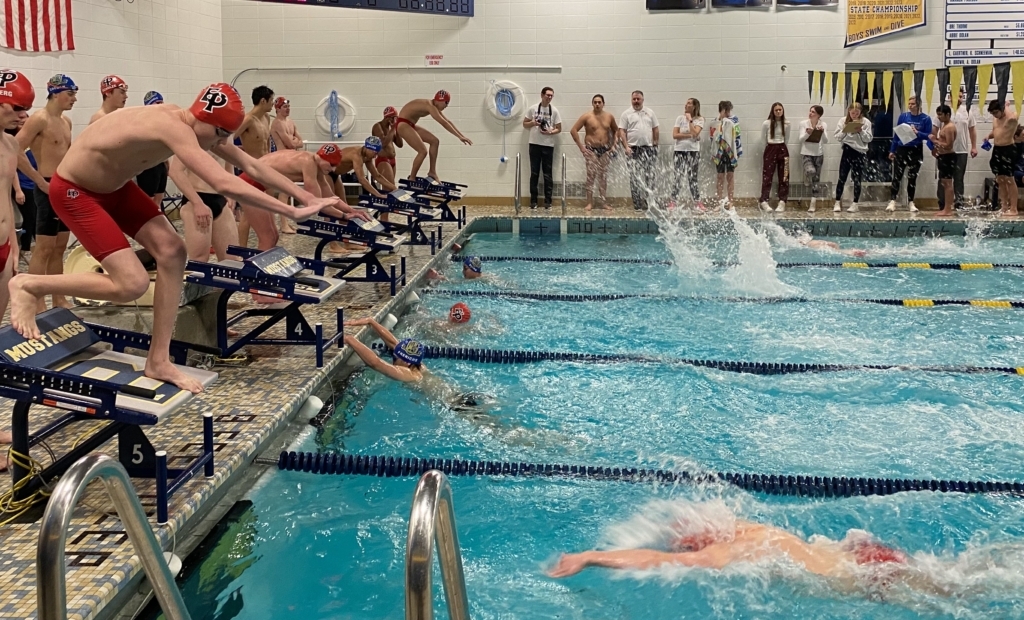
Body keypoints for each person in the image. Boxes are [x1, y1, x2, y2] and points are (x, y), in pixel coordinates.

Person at [8, 83, 339, 393]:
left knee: (173, 251)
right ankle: (31, 284)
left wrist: (307, 199)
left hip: (117, 188)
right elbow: (223, 182)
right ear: (204, 119)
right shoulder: (173, 126)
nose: (220, 142)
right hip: (75, 191)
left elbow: (250, 165)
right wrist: (292, 212)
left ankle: (158, 360)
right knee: (131, 284)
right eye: (219, 134)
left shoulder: (200, 123)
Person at [547, 504, 962, 602]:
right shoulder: (749, 528)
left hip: (863, 580)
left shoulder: (732, 550)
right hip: (862, 556)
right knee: (958, 575)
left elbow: (660, 561)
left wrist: (590, 557)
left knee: (959, 593)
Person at [16, 74, 77, 312]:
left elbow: (69, 155)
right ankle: (36, 300)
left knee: (60, 246)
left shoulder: (67, 122)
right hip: (47, 187)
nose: (74, 99)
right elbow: (16, 149)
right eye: (70, 94)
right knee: (43, 247)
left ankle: (58, 297)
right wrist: (40, 182)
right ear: (55, 93)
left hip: (65, 186)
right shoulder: (39, 119)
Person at [0, 71, 33, 471]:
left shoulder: (10, 145)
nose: (24, 115)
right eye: (17, 107)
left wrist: (15, 249)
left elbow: (7, 200)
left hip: (5, 246)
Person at [169, 154, 238, 262]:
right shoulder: (190, 138)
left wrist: (230, 193)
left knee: (232, 258)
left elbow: (228, 166)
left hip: (219, 197)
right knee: (199, 260)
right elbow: (175, 172)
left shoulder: (226, 138)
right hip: (196, 197)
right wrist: (197, 203)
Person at [395, 91, 473, 183]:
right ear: (439, 101)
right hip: (402, 125)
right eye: (446, 102)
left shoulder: (433, 106)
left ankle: (432, 171)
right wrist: (459, 137)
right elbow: (443, 123)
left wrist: (461, 136)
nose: (447, 106)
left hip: (409, 124)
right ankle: (412, 178)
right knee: (422, 151)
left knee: (434, 141)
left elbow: (447, 121)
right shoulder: (430, 106)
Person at [235, 85, 275, 245]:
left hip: (268, 169)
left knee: (271, 209)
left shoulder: (267, 118)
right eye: (271, 100)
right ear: (263, 100)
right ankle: (241, 251)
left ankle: (268, 246)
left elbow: (266, 142)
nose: (273, 104)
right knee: (248, 215)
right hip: (252, 171)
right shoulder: (247, 120)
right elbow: (228, 141)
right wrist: (240, 155)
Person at [569, 94, 618, 211]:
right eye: (595, 102)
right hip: (591, 150)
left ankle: (603, 202)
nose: (597, 104)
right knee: (591, 176)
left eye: (599, 102)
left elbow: (616, 131)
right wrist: (581, 147)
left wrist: (614, 146)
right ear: (592, 103)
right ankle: (589, 202)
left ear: (603, 103)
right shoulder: (587, 117)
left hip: (605, 150)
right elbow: (573, 130)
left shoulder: (609, 117)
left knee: (603, 177)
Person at [886, 96, 931, 213]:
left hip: (916, 149)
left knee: (912, 177)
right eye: (909, 103)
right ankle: (892, 201)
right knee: (897, 176)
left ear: (918, 105)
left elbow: (929, 136)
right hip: (902, 148)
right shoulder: (903, 116)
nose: (910, 106)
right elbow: (897, 134)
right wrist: (892, 150)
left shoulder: (925, 118)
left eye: (912, 104)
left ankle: (911, 202)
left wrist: (918, 132)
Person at [618, 90, 660, 212]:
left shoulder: (649, 112)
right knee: (634, 177)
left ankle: (649, 202)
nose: (636, 101)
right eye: (634, 99)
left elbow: (655, 128)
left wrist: (655, 144)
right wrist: (626, 147)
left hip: (648, 148)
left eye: (638, 99)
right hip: (632, 149)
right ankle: (637, 203)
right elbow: (622, 131)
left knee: (649, 176)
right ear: (631, 100)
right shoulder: (626, 114)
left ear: (642, 100)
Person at [937, 90, 977, 213]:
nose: (960, 98)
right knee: (943, 179)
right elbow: (934, 129)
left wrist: (974, 146)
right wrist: (934, 147)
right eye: (957, 96)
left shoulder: (967, 111)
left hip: (961, 150)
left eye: (961, 96)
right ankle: (942, 203)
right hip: (945, 151)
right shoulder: (943, 111)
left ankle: (958, 203)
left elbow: (972, 130)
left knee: (958, 178)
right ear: (950, 96)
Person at [523, 87, 562, 210]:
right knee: (534, 173)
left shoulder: (554, 111)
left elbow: (559, 128)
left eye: (551, 96)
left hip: (548, 145)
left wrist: (550, 132)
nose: (549, 97)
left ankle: (548, 202)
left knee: (547, 174)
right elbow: (524, 124)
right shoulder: (533, 108)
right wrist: (533, 123)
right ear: (542, 95)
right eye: (547, 95)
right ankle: (533, 201)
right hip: (534, 144)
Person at [270, 96, 302, 234]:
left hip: (291, 158)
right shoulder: (277, 123)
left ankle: (286, 223)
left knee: (288, 193)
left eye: (288, 106)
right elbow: (290, 144)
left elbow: (300, 142)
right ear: (277, 109)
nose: (288, 109)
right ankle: (283, 224)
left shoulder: (290, 122)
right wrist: (294, 141)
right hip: (282, 159)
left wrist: (294, 141)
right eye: (284, 107)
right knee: (284, 193)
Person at [833, 102, 873, 213]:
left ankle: (855, 203)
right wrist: (846, 130)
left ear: (860, 113)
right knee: (842, 177)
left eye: (856, 113)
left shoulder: (866, 122)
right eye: (852, 113)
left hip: (859, 152)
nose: (854, 115)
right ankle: (837, 201)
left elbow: (868, 139)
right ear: (849, 112)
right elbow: (837, 137)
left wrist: (861, 131)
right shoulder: (842, 121)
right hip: (847, 150)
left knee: (857, 178)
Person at [135, 92, 170, 207]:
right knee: (148, 201)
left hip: (160, 165)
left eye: (162, 102)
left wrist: (166, 161)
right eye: (158, 103)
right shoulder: (142, 123)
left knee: (159, 199)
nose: (161, 105)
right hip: (148, 167)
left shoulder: (163, 122)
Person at [330, 137, 395, 200]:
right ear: (369, 149)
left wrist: (395, 188)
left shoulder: (367, 157)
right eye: (375, 153)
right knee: (330, 201)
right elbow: (362, 180)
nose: (375, 156)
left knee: (343, 204)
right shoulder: (356, 156)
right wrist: (378, 195)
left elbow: (377, 176)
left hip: (336, 175)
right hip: (327, 173)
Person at [986, 99, 1019, 216]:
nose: (994, 115)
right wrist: (988, 136)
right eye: (992, 113)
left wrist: (1006, 105)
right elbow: (996, 131)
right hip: (997, 149)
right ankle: (1004, 206)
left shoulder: (1011, 118)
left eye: (996, 112)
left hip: (1008, 149)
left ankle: (1014, 208)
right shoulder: (996, 118)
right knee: (1000, 179)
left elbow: (1013, 118)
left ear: (1002, 109)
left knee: (1010, 180)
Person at [671, 98, 703, 210]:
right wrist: (691, 135)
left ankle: (697, 202)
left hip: (693, 151)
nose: (686, 105)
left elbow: (695, 133)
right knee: (678, 177)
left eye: (689, 103)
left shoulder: (700, 119)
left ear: (694, 106)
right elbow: (675, 135)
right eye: (686, 103)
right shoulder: (679, 118)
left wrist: (690, 121)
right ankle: (673, 201)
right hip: (679, 150)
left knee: (692, 178)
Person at [759, 102, 790, 213]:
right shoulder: (766, 123)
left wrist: (781, 148)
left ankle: (782, 201)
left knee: (784, 176)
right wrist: (768, 151)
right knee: (767, 176)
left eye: (780, 110)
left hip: (783, 149)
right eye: (776, 110)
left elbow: (787, 139)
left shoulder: (787, 123)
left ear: (783, 110)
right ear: (772, 111)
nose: (778, 112)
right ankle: (764, 200)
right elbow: (763, 139)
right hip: (770, 148)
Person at [710, 101, 742, 209]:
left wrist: (737, 153)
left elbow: (737, 137)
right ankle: (719, 202)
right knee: (720, 177)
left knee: (730, 176)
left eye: (728, 110)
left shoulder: (734, 120)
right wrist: (713, 153)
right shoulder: (715, 121)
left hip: (730, 152)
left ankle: (730, 201)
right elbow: (713, 137)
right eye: (725, 110)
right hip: (719, 152)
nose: (727, 113)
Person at [798, 105, 828, 213]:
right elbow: (801, 139)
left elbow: (825, 140)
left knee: (816, 180)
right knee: (811, 171)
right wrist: (808, 133)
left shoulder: (823, 124)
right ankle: (807, 175)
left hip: (818, 154)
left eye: (813, 112)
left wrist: (822, 131)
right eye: (810, 111)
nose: (810, 113)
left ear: (818, 115)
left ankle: (813, 203)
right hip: (806, 153)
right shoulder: (803, 124)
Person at [931, 105, 957, 217]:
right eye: (938, 115)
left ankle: (948, 209)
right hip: (943, 157)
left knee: (948, 184)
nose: (939, 117)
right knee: (945, 183)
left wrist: (935, 141)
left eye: (941, 114)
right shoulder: (944, 126)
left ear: (948, 114)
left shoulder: (950, 127)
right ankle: (946, 208)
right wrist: (936, 148)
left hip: (948, 157)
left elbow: (948, 145)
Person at [371, 106, 403, 192]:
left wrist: (396, 129)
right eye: (394, 118)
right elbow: (383, 143)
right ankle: (389, 205)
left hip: (392, 159)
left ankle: (390, 204)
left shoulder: (390, 128)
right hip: (383, 160)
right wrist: (393, 129)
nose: (395, 121)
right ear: (388, 118)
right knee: (389, 188)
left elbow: (400, 144)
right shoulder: (377, 126)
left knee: (392, 186)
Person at [796, 233, 867, 257]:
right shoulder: (810, 243)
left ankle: (853, 252)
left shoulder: (809, 244)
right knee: (839, 251)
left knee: (839, 251)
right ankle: (853, 252)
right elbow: (833, 244)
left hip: (825, 247)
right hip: (827, 246)